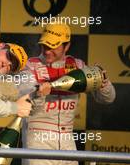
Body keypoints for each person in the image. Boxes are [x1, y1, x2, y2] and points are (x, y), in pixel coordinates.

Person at [20, 23, 116, 165]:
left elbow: (108, 98)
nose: (47, 51)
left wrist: (104, 84)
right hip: (38, 141)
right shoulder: (30, 66)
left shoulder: (78, 66)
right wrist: (39, 95)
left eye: (53, 46)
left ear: (67, 46)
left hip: (67, 142)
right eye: (44, 46)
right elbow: (25, 107)